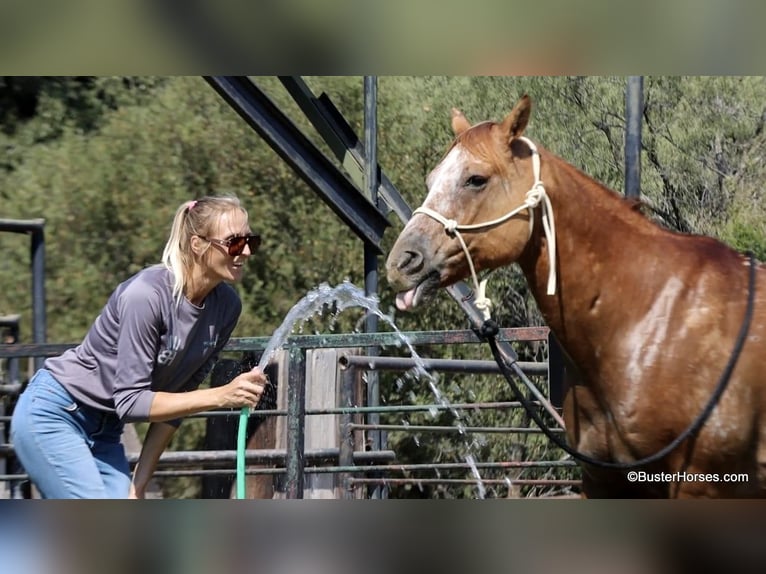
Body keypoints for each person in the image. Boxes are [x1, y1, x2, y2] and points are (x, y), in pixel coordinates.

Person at [10, 195, 268, 498]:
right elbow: (131, 401)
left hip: (106, 432)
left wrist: (139, 481)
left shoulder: (226, 307)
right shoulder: (145, 296)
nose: (247, 251)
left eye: (251, 240)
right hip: (56, 415)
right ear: (198, 245)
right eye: (234, 242)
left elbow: (178, 402)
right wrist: (221, 395)